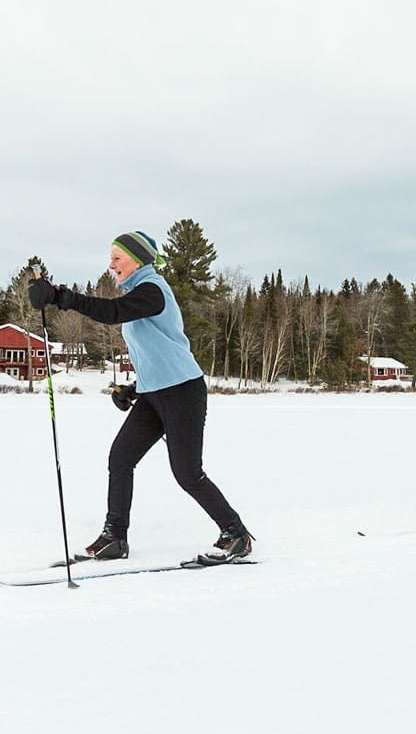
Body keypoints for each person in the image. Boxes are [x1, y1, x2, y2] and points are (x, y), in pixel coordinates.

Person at [28, 231, 253, 562]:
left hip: (183, 391)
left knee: (187, 473)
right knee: (121, 457)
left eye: (117, 258)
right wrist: (134, 388)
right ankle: (114, 538)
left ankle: (236, 534)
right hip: (154, 393)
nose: (111, 265)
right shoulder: (138, 293)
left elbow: (113, 312)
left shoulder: (153, 290)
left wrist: (63, 296)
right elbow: (153, 348)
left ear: (138, 259)